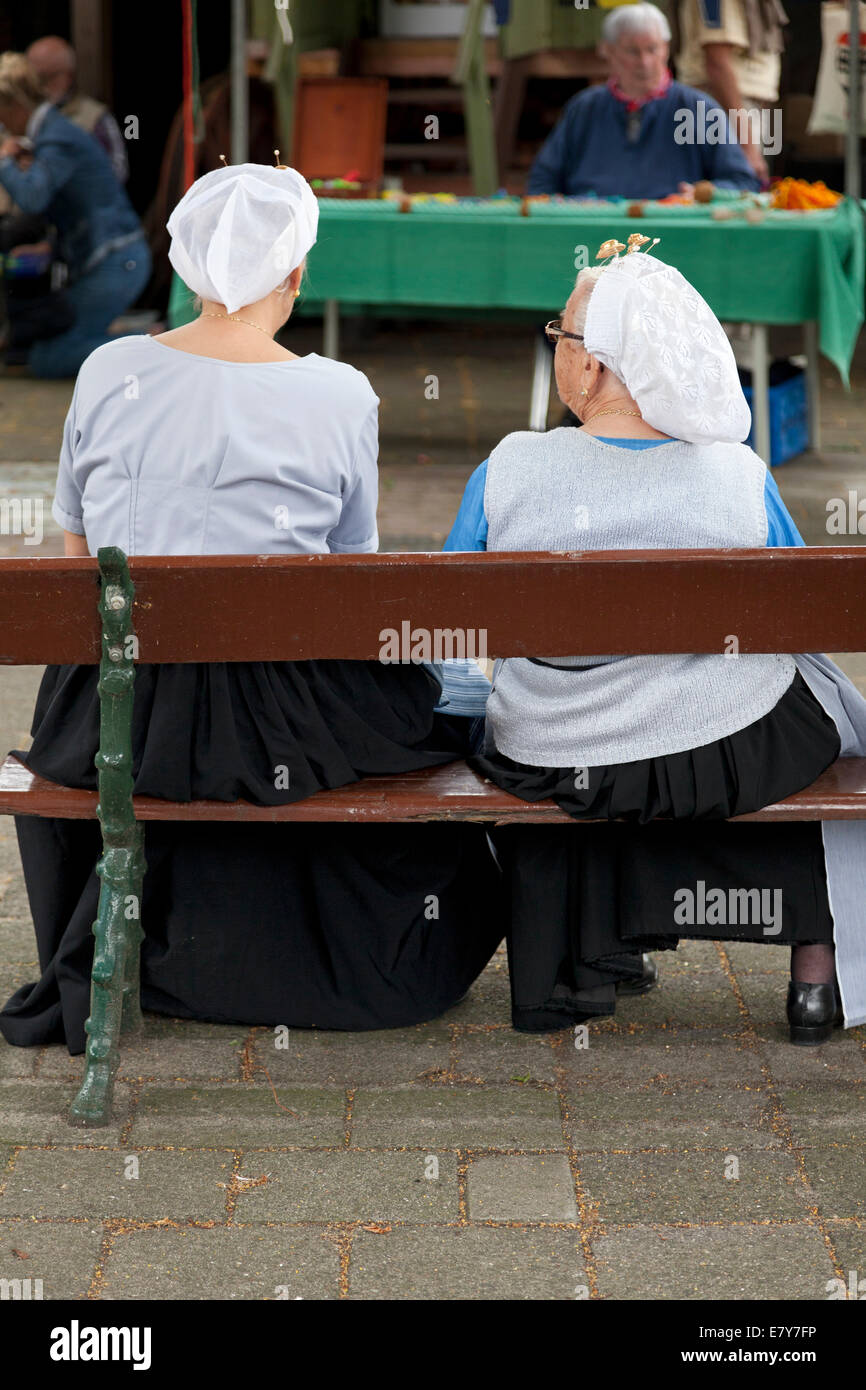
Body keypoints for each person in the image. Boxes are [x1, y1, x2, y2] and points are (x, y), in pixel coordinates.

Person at [0, 160, 502, 1056]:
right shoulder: (341, 392)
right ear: (296, 274)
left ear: (188, 271)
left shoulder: (107, 367)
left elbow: (77, 559)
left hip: (114, 712)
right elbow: (351, 582)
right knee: (455, 695)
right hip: (283, 723)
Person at [444, 234, 866, 1044]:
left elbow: (449, 611)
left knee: (519, 718)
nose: (559, 348)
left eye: (562, 336)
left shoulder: (509, 467)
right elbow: (800, 610)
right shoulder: (736, 474)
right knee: (830, 725)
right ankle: (818, 973)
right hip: (720, 752)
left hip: (555, 754)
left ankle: (584, 956)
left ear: (595, 366)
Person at [0, 53, 149, 378]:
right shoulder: (52, 133)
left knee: (49, 358)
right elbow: (72, 204)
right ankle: (146, 341)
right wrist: (49, 249)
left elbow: (33, 196)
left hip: (115, 262)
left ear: (13, 104)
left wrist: (3, 162)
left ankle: (160, 346)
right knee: (50, 350)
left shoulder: (56, 137)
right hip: (114, 260)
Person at [527, 2, 759, 200]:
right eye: (632, 51)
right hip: (593, 232)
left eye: (652, 49)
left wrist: (704, 194)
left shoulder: (700, 109)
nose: (645, 62)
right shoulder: (584, 108)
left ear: (666, 50)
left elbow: (742, 182)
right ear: (608, 51)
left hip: (674, 233)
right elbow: (542, 181)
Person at [676, 0, 788, 183]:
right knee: (733, 190)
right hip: (722, 107)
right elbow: (717, 63)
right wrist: (748, 147)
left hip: (733, 108)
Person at [26, 34, 129, 183]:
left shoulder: (95, 117)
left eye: (45, 78)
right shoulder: (22, 114)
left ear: (68, 75)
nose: (38, 87)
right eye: (31, 80)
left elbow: (117, 173)